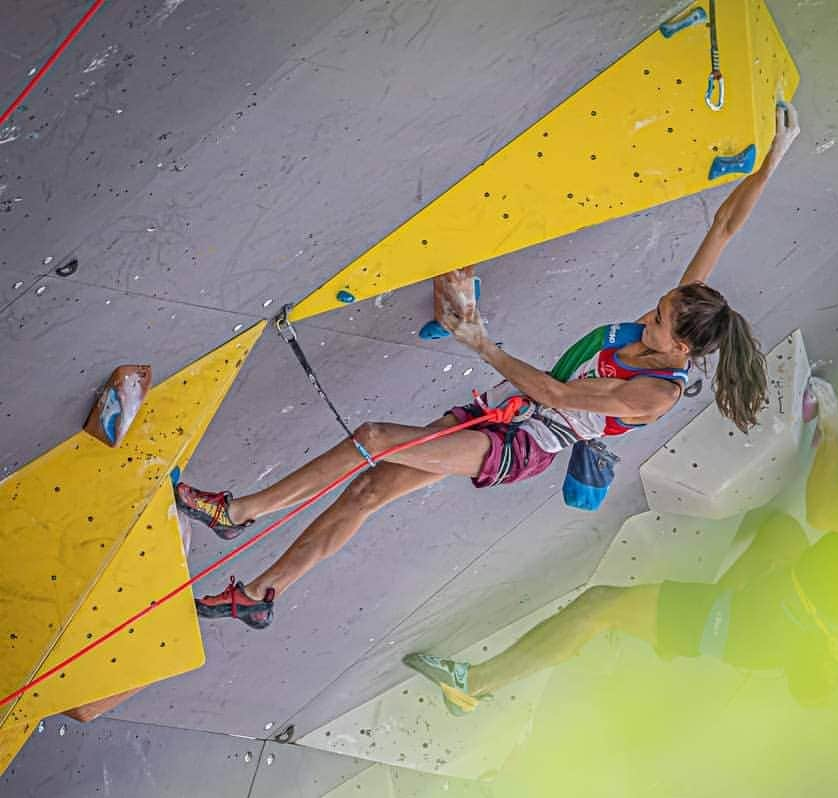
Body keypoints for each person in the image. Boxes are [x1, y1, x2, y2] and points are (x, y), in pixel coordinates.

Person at [175, 104, 802, 628]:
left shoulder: (652, 395)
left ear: (679, 351)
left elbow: (557, 395)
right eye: (661, 306)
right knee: (368, 489)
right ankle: (260, 597)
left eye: (660, 321)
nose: (649, 315)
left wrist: (480, 340)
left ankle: (240, 513)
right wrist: (774, 156)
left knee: (372, 440)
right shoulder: (671, 324)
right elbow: (722, 226)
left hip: (520, 444)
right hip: (501, 414)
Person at [405, 350, 838, 712]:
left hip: (756, 625)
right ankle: (662, 623)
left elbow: (829, 510)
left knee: (602, 609)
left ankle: (477, 687)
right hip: (790, 602)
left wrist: (830, 430)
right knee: (774, 528)